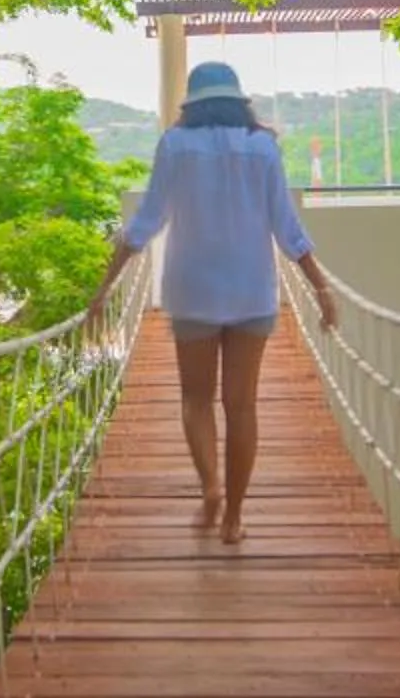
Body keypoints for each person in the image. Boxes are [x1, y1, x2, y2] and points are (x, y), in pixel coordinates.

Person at [85, 60, 337, 546]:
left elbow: (146, 222)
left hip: (193, 290)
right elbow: (287, 229)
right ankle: (235, 518)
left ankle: (211, 488)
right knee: (241, 407)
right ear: (238, 101)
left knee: (195, 400)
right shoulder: (262, 147)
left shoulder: (175, 145)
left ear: (192, 104)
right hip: (251, 291)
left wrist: (104, 287)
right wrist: (321, 288)